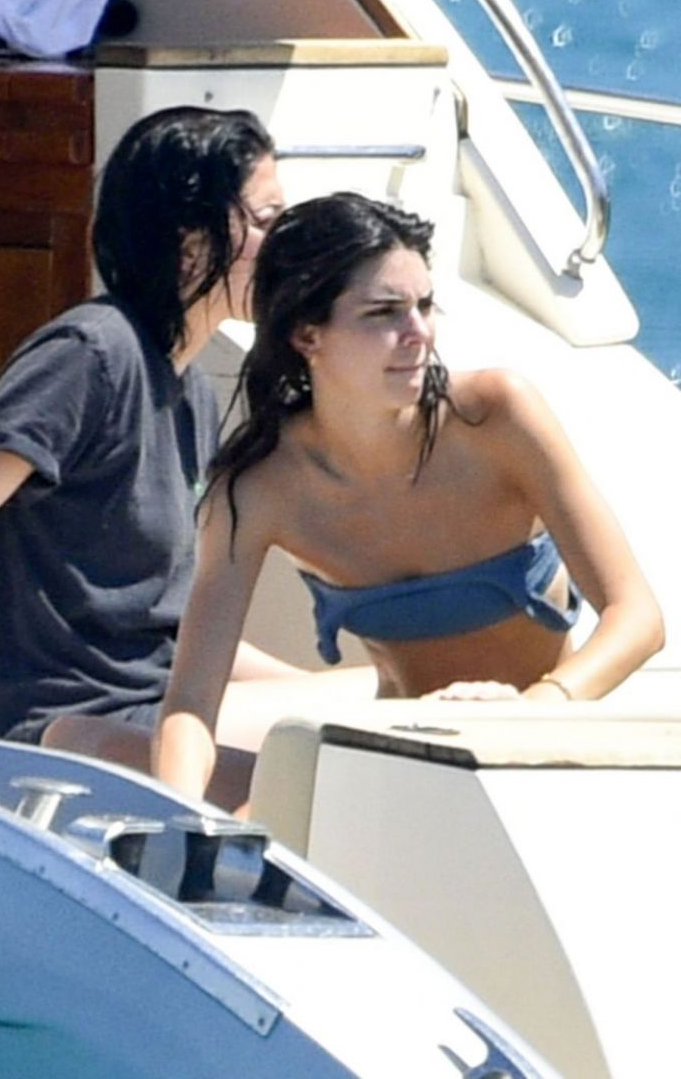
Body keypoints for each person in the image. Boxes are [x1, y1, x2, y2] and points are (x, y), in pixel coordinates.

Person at [153, 191, 665, 800]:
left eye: (425, 305)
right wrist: (182, 816)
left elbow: (637, 618)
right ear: (306, 335)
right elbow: (191, 702)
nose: (419, 332)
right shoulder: (260, 488)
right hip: (392, 769)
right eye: (384, 313)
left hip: (535, 758)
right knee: (83, 741)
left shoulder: (497, 417)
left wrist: (531, 711)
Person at [0, 105, 303, 797]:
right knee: (331, 774)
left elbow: (175, 630)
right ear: (190, 242)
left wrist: (317, 688)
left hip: (155, 703)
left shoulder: (191, 394)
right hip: (61, 729)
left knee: (378, 717)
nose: (285, 247)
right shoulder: (91, 354)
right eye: (266, 220)